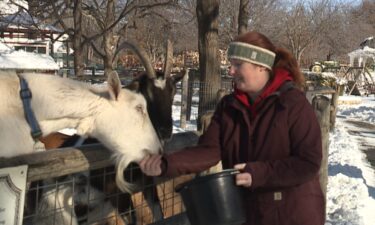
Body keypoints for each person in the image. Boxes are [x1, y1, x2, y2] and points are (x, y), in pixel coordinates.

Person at [139, 31, 325, 225]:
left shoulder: (293, 104)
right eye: (231, 65)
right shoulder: (229, 106)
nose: (230, 71)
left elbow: (308, 163)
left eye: (238, 65)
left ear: (261, 66)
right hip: (250, 213)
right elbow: (208, 151)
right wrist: (166, 164)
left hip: (292, 215)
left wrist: (259, 173)